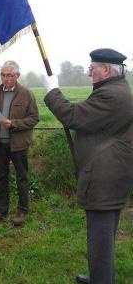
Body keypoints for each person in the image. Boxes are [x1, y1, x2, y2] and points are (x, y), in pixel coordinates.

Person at [42, 48, 133, 284]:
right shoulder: (115, 90)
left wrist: (52, 91)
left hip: (105, 178)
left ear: (106, 70)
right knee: (102, 238)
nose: (89, 70)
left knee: (100, 239)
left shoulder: (111, 96)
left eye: (93, 67)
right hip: (110, 175)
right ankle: (100, 277)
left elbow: (74, 116)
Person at [0, 60, 39, 226]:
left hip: (19, 144)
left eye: (10, 75)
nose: (6, 78)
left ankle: (22, 211)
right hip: (0, 143)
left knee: (22, 178)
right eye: (3, 75)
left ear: (17, 76)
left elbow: (34, 118)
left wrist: (13, 123)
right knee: (1, 178)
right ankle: (1, 210)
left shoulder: (26, 94)